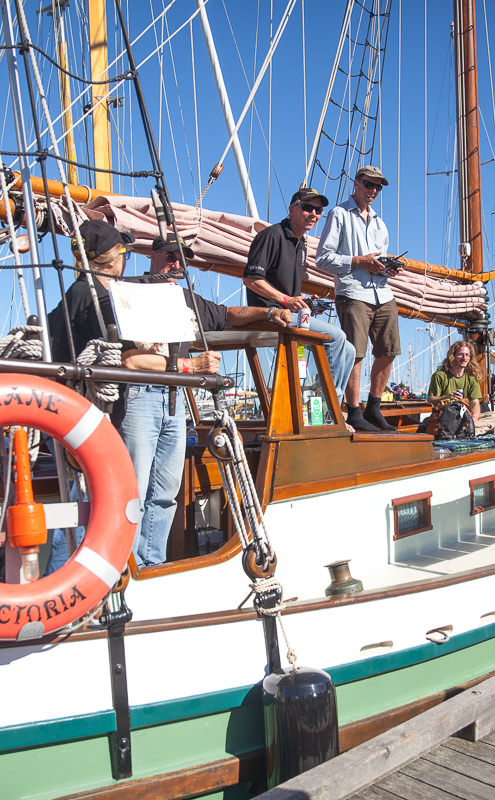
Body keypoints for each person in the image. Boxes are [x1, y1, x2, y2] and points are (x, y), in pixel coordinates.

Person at [120, 233, 291, 567]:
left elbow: (228, 314)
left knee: (166, 492)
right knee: (133, 492)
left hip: (175, 401)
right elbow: (125, 355)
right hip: (139, 394)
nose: (175, 264)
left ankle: (150, 563)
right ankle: (126, 568)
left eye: (181, 260)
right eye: (169, 256)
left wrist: (270, 313)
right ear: (152, 256)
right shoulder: (130, 289)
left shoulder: (185, 300)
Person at [44, 220, 133, 575]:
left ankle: (63, 584)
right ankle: (68, 587)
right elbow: (114, 353)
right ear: (113, 260)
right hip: (91, 416)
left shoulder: (73, 295)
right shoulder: (98, 299)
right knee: (84, 508)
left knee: (76, 505)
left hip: (67, 411)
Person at [243, 187, 356, 408]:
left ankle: (333, 404)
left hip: (289, 313)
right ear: (292, 209)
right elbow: (251, 279)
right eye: (307, 207)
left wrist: (303, 301)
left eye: (318, 210)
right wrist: (286, 300)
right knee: (336, 337)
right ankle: (328, 410)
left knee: (349, 349)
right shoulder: (271, 235)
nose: (313, 214)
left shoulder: (299, 243)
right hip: (269, 314)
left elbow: (284, 290)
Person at [317, 165, 400, 433]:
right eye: (368, 184)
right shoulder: (339, 215)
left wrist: (390, 267)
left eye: (378, 187)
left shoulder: (380, 224)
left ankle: (373, 407)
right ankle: (353, 412)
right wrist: (358, 261)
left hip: (383, 293)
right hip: (353, 293)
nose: (373, 190)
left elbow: (378, 260)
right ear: (356, 183)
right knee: (356, 353)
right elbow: (323, 258)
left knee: (389, 350)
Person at [46, 219, 134, 362]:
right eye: (125, 253)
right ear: (111, 260)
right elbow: (129, 358)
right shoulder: (99, 298)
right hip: (93, 383)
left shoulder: (74, 292)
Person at [426, 340, 495, 433]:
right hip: (445, 417)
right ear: (452, 356)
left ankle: (467, 431)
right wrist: (447, 397)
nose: (464, 358)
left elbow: (475, 403)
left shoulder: (471, 377)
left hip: (465, 418)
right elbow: (430, 400)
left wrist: (474, 418)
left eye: (467, 355)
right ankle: (468, 432)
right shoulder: (439, 376)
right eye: (461, 354)